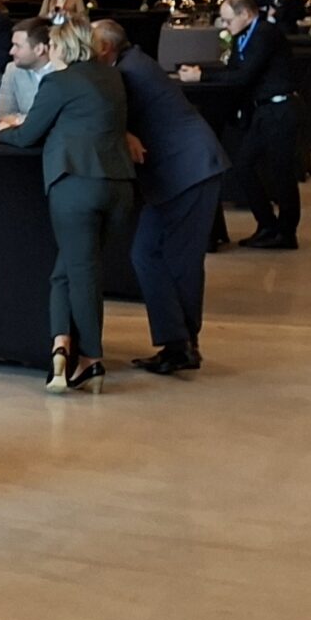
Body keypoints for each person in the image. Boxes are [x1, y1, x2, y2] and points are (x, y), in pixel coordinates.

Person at [0, 18, 133, 391]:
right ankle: (61, 344)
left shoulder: (59, 82)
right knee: (68, 270)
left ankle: (91, 360)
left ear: (62, 48)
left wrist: (5, 130)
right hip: (119, 186)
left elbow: (28, 135)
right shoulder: (113, 77)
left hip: (76, 185)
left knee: (83, 273)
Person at [92, 19, 227, 375]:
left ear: (105, 48)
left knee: (171, 258)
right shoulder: (133, 63)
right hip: (184, 170)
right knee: (154, 254)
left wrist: (122, 131)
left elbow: (104, 113)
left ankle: (181, 345)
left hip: (188, 170)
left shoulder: (127, 72)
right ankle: (179, 342)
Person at [180, 0, 301, 248]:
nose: (225, 26)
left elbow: (244, 76)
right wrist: (201, 71)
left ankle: (286, 233)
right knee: (243, 165)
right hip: (262, 110)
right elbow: (232, 70)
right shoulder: (242, 36)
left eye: (228, 20)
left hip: (279, 108)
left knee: (281, 172)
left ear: (245, 14)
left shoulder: (265, 34)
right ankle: (267, 224)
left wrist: (202, 77)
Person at [0, 16, 51, 126]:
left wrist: (18, 120)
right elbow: (2, 118)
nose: (11, 51)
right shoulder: (12, 70)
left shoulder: (64, 73)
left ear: (39, 49)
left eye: (17, 46)